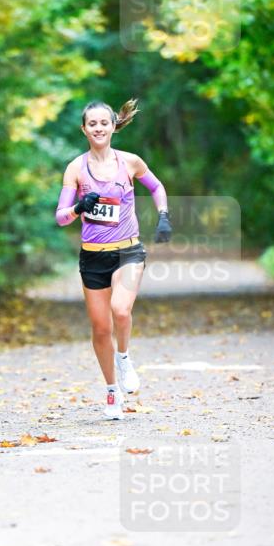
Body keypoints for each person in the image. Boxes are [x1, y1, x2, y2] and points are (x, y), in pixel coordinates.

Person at [55, 99, 171, 420]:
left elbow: (157, 186)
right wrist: (79, 207)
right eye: (92, 124)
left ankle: (125, 358)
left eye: (103, 123)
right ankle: (111, 391)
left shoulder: (130, 162)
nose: (98, 128)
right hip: (92, 258)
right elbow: (61, 217)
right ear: (84, 129)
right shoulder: (76, 168)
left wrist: (163, 216)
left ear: (113, 126)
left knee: (121, 310)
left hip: (129, 250)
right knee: (100, 327)